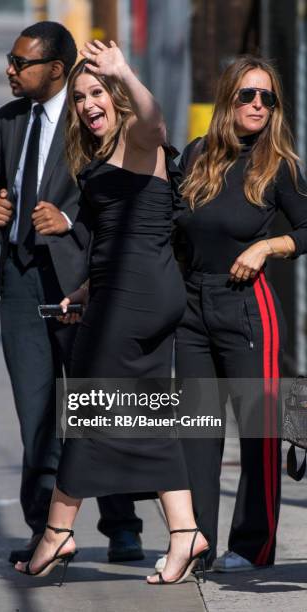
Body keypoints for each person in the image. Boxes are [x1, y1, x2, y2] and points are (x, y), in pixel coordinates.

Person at [16, 40, 209, 586]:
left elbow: (154, 114)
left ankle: (58, 531)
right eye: (78, 97)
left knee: (91, 406)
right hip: (123, 290)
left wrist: (124, 70)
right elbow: (112, 237)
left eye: (96, 92)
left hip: (136, 296)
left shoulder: (139, 138)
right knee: (139, 412)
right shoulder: (102, 154)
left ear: (118, 97)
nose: (86, 104)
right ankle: (184, 531)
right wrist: (82, 291)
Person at [0, 21, 143, 565]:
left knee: (95, 402)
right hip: (21, 279)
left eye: (19, 61)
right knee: (36, 410)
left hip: (78, 280)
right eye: (11, 59)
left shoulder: (90, 118)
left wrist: (70, 220)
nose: (10, 68)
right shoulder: (7, 120)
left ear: (55, 69)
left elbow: (119, 199)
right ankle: (45, 530)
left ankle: (122, 524)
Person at [158, 55, 307, 574]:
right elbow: (170, 227)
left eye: (268, 97)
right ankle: (194, 541)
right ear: (228, 99)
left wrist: (269, 247)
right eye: (248, 95)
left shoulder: (280, 165)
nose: (258, 105)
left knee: (260, 429)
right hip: (193, 307)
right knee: (196, 432)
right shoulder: (199, 154)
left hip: (249, 306)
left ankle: (252, 544)